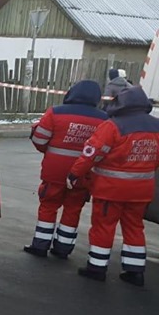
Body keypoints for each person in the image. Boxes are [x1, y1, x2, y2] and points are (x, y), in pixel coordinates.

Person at [69, 86, 159, 287]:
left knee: (103, 227)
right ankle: (135, 271)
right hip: (142, 190)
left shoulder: (113, 126)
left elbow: (92, 154)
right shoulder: (157, 126)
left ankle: (97, 267)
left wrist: (75, 173)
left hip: (111, 189)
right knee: (135, 227)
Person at [23, 80, 107, 258]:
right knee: (73, 209)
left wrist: (50, 152)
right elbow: (104, 150)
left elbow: (39, 139)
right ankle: (63, 248)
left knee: (48, 206)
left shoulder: (55, 112)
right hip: (83, 175)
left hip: (54, 172)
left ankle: (40, 245)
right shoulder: (104, 119)